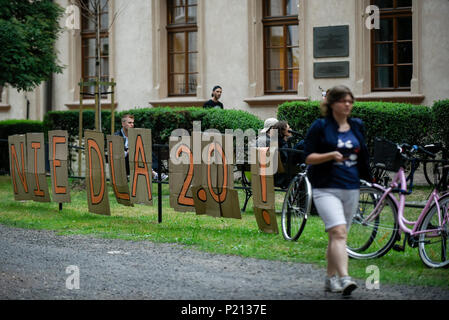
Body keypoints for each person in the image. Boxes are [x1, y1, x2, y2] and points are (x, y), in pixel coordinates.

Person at [303, 85, 372, 296]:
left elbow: (363, 156)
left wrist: (370, 179)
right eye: (344, 101)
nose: (348, 105)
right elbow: (308, 157)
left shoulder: (357, 126)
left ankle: (329, 278)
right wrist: (331, 155)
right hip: (326, 187)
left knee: (337, 236)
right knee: (338, 232)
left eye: (350, 101)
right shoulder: (320, 126)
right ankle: (345, 278)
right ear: (333, 104)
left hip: (351, 187)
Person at [115, 114, 167, 181]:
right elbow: (115, 153)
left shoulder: (134, 134)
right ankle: (155, 175)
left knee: (144, 151)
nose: (132, 125)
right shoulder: (117, 136)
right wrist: (126, 152)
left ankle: (155, 172)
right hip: (123, 163)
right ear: (123, 124)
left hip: (136, 160)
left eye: (133, 123)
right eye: (129, 123)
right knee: (135, 154)